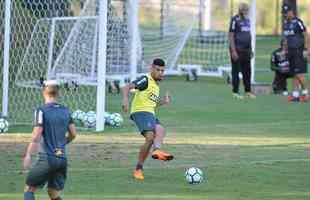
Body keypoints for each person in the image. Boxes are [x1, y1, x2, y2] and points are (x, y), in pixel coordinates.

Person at [23, 80, 77, 200]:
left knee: (29, 188)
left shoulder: (41, 110)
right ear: (58, 93)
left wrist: (28, 155)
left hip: (47, 159)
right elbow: (73, 134)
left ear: (44, 92)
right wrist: (62, 143)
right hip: (62, 159)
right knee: (53, 193)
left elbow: (37, 135)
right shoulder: (66, 110)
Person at [121, 58, 174, 181]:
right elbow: (125, 88)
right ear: (151, 68)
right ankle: (140, 168)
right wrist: (125, 100)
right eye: (158, 70)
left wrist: (164, 102)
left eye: (162, 70)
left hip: (149, 113)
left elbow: (152, 103)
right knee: (150, 136)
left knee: (160, 130)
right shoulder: (145, 79)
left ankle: (156, 152)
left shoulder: (155, 85)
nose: (160, 72)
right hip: (140, 112)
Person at [229, 2, 256, 100]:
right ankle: (235, 92)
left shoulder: (247, 21)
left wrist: (251, 50)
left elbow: (248, 36)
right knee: (236, 72)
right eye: (243, 9)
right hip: (237, 49)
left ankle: (248, 92)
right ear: (239, 10)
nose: (245, 11)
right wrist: (233, 51)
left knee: (247, 72)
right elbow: (231, 36)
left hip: (246, 50)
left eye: (246, 10)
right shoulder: (234, 20)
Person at [282, 4, 309, 102]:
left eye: (286, 13)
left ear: (291, 12)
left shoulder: (298, 22)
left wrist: (306, 49)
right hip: (290, 51)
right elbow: (285, 39)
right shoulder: (285, 24)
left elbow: (306, 35)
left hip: (299, 50)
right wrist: (284, 50)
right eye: (283, 13)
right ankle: (295, 95)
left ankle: (306, 93)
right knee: (294, 73)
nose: (284, 15)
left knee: (298, 73)